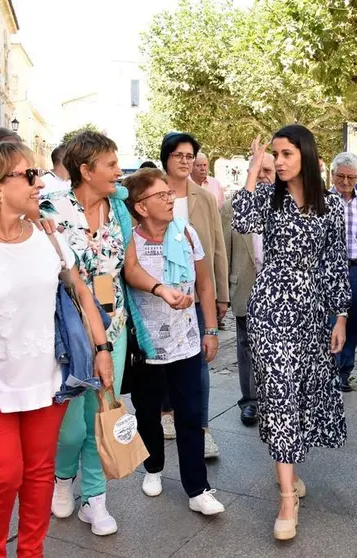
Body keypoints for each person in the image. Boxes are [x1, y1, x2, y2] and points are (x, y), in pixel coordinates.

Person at [0, 141, 112, 557]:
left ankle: (32, 551)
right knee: (1, 478)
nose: (38, 182)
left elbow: (83, 295)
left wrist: (102, 349)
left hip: (45, 382)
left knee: (39, 474)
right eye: (28, 175)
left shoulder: (49, 239)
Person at [41, 131, 189, 536]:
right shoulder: (52, 210)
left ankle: (95, 497)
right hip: (70, 331)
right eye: (109, 164)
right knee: (71, 424)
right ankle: (62, 477)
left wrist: (161, 288)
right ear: (85, 170)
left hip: (116, 326)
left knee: (103, 413)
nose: (116, 172)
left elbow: (129, 268)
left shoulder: (119, 211)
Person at [232, 125, 350, 541]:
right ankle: (286, 496)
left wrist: (341, 317)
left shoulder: (331, 204)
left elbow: (336, 261)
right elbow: (241, 219)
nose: (278, 162)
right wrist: (252, 168)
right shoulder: (267, 197)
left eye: (286, 154)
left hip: (312, 311)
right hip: (269, 308)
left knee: (298, 394)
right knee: (279, 394)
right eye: (274, 155)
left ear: (305, 154)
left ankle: (290, 474)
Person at [122, 168, 226, 515]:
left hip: (186, 341)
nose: (170, 199)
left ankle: (197, 489)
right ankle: (153, 467)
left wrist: (210, 330)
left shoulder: (186, 233)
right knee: (148, 414)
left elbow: (204, 285)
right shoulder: (129, 241)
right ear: (140, 206)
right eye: (161, 195)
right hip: (146, 347)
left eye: (170, 194)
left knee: (190, 414)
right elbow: (128, 275)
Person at [160, 132, 229, 456]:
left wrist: (222, 294)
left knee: (200, 360)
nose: (186, 161)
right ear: (166, 159)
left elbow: (216, 248)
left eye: (190, 156)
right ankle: (166, 413)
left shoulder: (203, 198)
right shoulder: (148, 192)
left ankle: (202, 428)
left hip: (197, 296)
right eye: (180, 156)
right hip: (158, 295)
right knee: (161, 362)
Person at [221, 151, 275, 425]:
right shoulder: (232, 206)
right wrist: (223, 294)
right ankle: (250, 401)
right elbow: (223, 251)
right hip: (245, 287)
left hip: (279, 292)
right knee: (246, 346)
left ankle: (275, 399)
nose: (264, 177)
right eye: (258, 171)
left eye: (269, 171)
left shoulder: (287, 206)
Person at [329, 152, 357, 392]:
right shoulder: (321, 200)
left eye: (351, 177)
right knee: (331, 320)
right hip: (330, 269)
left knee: (353, 321)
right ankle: (329, 368)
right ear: (332, 175)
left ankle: (344, 371)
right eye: (340, 176)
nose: (345, 182)